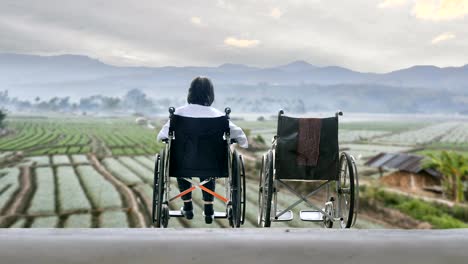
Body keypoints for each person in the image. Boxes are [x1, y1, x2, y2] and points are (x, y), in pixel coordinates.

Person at [157, 76, 248, 224]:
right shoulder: (219, 116)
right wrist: (238, 141)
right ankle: (209, 210)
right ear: (210, 94)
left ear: (190, 93)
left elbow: (161, 136)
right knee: (209, 169)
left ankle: (187, 208)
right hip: (213, 165)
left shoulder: (177, 115)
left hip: (183, 164)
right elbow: (242, 138)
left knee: (181, 161)